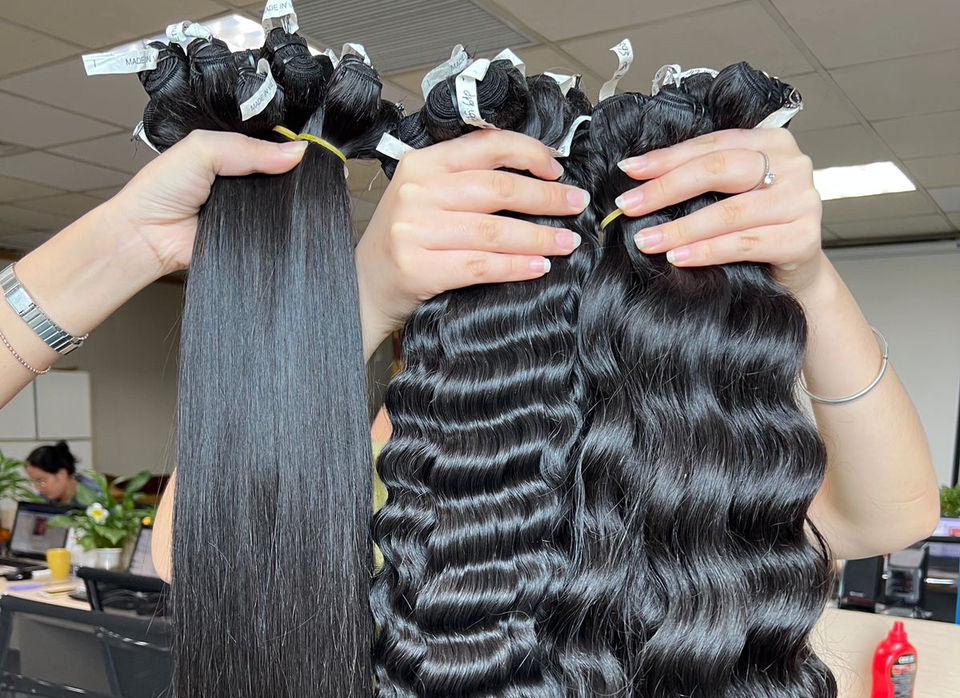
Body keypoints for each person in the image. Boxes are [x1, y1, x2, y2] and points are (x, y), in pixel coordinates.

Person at [0, 125, 939, 577]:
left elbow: (892, 512)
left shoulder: (676, 496)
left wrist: (811, 281)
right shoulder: (407, 464)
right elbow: (201, 556)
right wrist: (361, 296)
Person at [24, 441, 99, 507]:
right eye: (34, 482)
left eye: (41, 481)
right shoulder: (44, 499)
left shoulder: (95, 499)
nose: (38, 488)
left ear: (62, 474)